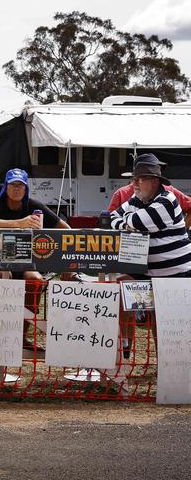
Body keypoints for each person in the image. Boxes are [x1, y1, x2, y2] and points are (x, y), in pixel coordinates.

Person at [0, 168, 71, 350]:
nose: (16, 189)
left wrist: (63, 258)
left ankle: (22, 336)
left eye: (20, 185)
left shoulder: (34, 205)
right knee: (1, 277)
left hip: (24, 261)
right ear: (6, 187)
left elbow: (66, 229)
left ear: (26, 188)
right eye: (13, 185)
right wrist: (19, 223)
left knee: (35, 281)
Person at [111, 156, 191, 358]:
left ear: (155, 181)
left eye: (140, 179)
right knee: (120, 289)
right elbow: (111, 216)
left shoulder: (167, 200)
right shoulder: (137, 199)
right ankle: (126, 347)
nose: (134, 183)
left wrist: (127, 222)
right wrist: (127, 222)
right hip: (146, 273)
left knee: (163, 319)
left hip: (175, 276)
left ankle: (167, 361)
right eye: (133, 179)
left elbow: (136, 222)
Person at [108, 153, 191, 229]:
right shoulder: (123, 194)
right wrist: (125, 226)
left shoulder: (168, 195)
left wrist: (183, 229)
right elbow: (110, 218)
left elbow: (136, 222)